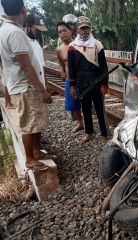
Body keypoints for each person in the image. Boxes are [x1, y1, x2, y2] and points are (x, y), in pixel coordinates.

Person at [0, 0, 52, 171]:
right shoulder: (15, 32)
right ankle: (30, 159)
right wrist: (42, 89)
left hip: (23, 86)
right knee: (29, 124)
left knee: (35, 122)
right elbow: (26, 65)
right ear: (23, 9)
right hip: (25, 87)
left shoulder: (5, 30)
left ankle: (35, 152)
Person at [68, 16, 109, 144]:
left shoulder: (97, 44)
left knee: (99, 108)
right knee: (85, 108)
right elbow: (71, 68)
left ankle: (104, 133)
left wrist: (104, 84)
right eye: (82, 29)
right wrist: (72, 85)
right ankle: (88, 132)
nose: (85, 31)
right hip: (81, 81)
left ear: (90, 29)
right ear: (78, 30)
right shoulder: (72, 46)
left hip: (95, 80)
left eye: (87, 28)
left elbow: (103, 66)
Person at [56, 21, 84, 132]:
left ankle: (89, 125)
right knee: (74, 104)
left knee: (87, 102)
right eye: (59, 32)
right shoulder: (59, 49)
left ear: (71, 31)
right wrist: (62, 72)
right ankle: (80, 123)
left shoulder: (80, 45)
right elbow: (61, 64)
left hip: (82, 79)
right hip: (70, 80)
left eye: (64, 30)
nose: (62, 33)